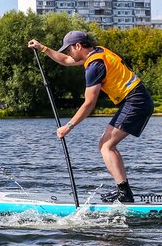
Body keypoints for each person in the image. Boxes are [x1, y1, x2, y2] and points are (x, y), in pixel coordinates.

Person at [29, 31, 154, 203]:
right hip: (136, 100)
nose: (68, 53)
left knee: (106, 146)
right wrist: (42, 48)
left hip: (136, 102)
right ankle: (124, 191)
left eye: (69, 49)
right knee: (106, 145)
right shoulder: (98, 51)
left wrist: (68, 126)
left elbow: (89, 103)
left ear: (78, 46)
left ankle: (125, 194)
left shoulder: (95, 65)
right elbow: (65, 61)